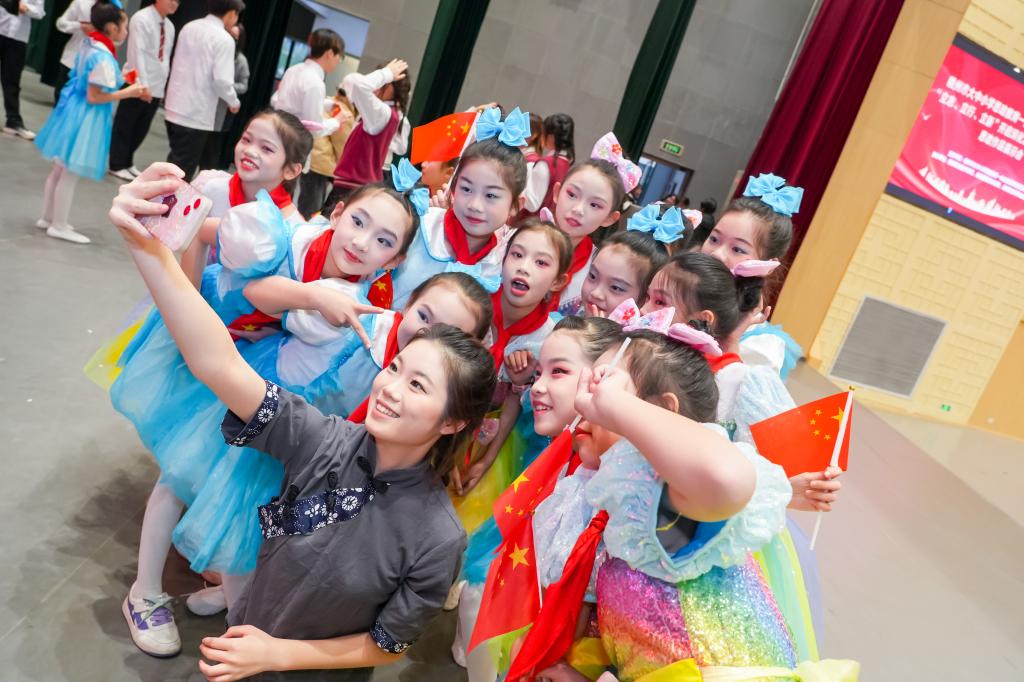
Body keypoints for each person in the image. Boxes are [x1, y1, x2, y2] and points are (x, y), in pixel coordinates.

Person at [108, 164, 497, 680]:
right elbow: (219, 364)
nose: (390, 387)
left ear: (453, 421)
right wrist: (146, 247)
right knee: (184, 491)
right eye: (396, 369)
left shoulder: (437, 538)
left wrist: (279, 655)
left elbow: (390, 641)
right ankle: (150, 589)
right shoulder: (321, 440)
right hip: (242, 653)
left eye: (419, 385)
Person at [388, 106, 530, 309]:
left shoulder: (499, 264)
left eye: (491, 195)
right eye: (466, 189)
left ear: (516, 205)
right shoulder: (420, 227)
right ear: (453, 187)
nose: (475, 205)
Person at [34, 2, 148, 244]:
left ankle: (48, 217)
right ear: (112, 28)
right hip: (86, 117)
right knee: (69, 173)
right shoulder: (103, 55)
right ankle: (58, 225)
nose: (126, 32)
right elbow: (94, 96)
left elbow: (91, 81)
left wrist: (120, 79)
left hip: (72, 112)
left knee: (59, 169)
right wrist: (128, 92)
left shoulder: (91, 44)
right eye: (124, 27)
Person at [701, 173, 804, 378]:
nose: (717, 254)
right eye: (714, 239)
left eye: (738, 249)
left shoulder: (760, 346)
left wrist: (731, 340)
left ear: (767, 265)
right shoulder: (674, 294)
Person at [547, 132, 639, 313]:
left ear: (609, 218)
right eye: (572, 194)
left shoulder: (599, 269)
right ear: (557, 192)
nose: (578, 209)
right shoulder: (517, 239)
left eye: (595, 205)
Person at [271, 28, 348, 218]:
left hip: (277, 136)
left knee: (273, 191)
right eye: (339, 56)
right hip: (295, 146)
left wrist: (326, 104)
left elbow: (281, 100)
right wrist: (336, 121)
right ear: (329, 53)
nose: (338, 61)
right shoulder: (315, 82)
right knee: (282, 199)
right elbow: (314, 128)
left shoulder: (294, 70)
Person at [162, 0, 243, 179]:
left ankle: (161, 195)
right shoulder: (224, 39)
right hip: (196, 113)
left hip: (174, 104)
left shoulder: (189, 27)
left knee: (174, 163)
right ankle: (166, 198)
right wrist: (233, 101)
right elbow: (222, 81)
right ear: (231, 13)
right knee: (182, 171)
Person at [324, 58, 410, 213]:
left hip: (354, 184)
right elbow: (352, 82)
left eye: (381, 84)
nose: (375, 88)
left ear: (390, 86)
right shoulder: (386, 112)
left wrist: (386, 73)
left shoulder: (382, 112)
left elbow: (359, 85)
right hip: (356, 183)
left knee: (328, 225)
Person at [108, 0, 178, 181]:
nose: (175, 3)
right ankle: (116, 164)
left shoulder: (169, 26)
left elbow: (165, 59)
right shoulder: (142, 18)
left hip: (156, 86)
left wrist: (161, 87)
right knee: (126, 124)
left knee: (141, 127)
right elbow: (136, 54)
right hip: (137, 82)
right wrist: (143, 85)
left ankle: (127, 161)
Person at [196, 22, 249, 172]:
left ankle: (204, 178)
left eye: (235, 37)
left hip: (222, 112)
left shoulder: (241, 61)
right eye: (229, 34)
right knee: (194, 147)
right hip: (202, 107)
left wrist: (227, 86)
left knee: (211, 150)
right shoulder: (215, 51)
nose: (231, 39)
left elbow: (244, 85)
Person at [0, 0, 45, 140]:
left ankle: (13, 122)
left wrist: (26, 8)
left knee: (12, 81)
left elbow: (40, 13)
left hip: (18, 37)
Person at [521, 112, 574, 217]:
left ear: (551, 136)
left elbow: (532, 203)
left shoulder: (546, 163)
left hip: (527, 220)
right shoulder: (566, 164)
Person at [52, 0, 103, 103]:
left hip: (95, 64)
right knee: (61, 99)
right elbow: (60, 23)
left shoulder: (114, 8)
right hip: (71, 59)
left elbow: (119, 38)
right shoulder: (81, 2)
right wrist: (80, 26)